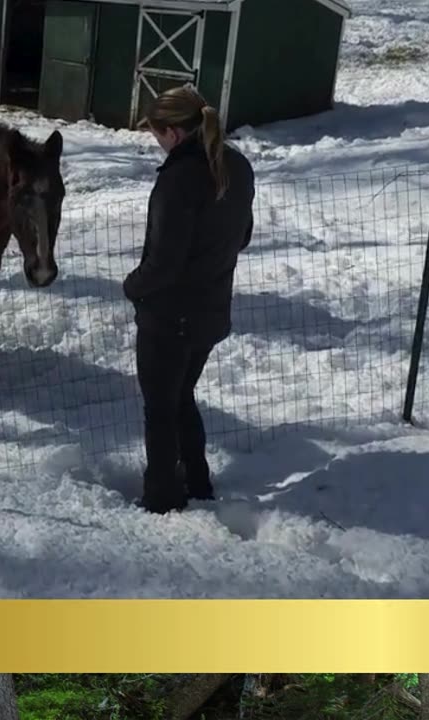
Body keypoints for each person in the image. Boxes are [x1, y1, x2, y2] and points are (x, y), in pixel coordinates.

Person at [123, 84, 256, 514]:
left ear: (174, 133)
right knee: (180, 398)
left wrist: (132, 286)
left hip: (169, 316)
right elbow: (244, 236)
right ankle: (197, 481)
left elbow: (163, 264)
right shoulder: (237, 167)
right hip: (211, 313)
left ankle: (161, 497)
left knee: (161, 409)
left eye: (157, 133)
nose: (157, 143)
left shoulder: (178, 180)